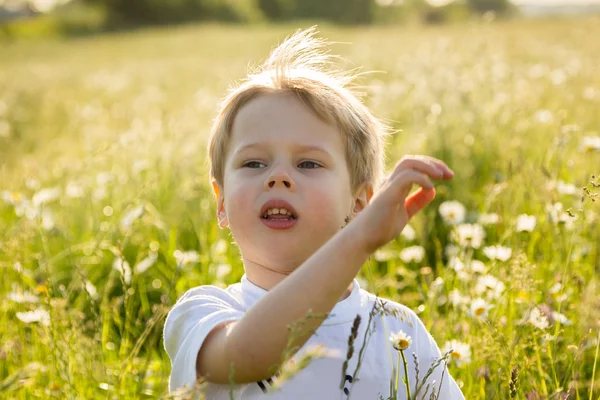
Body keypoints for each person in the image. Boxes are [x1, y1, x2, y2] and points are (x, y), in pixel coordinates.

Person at [163, 26, 464, 400]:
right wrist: (358, 240)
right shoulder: (203, 313)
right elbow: (248, 356)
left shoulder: (399, 330)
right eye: (254, 163)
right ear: (221, 201)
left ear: (358, 204)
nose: (278, 177)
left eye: (308, 163)